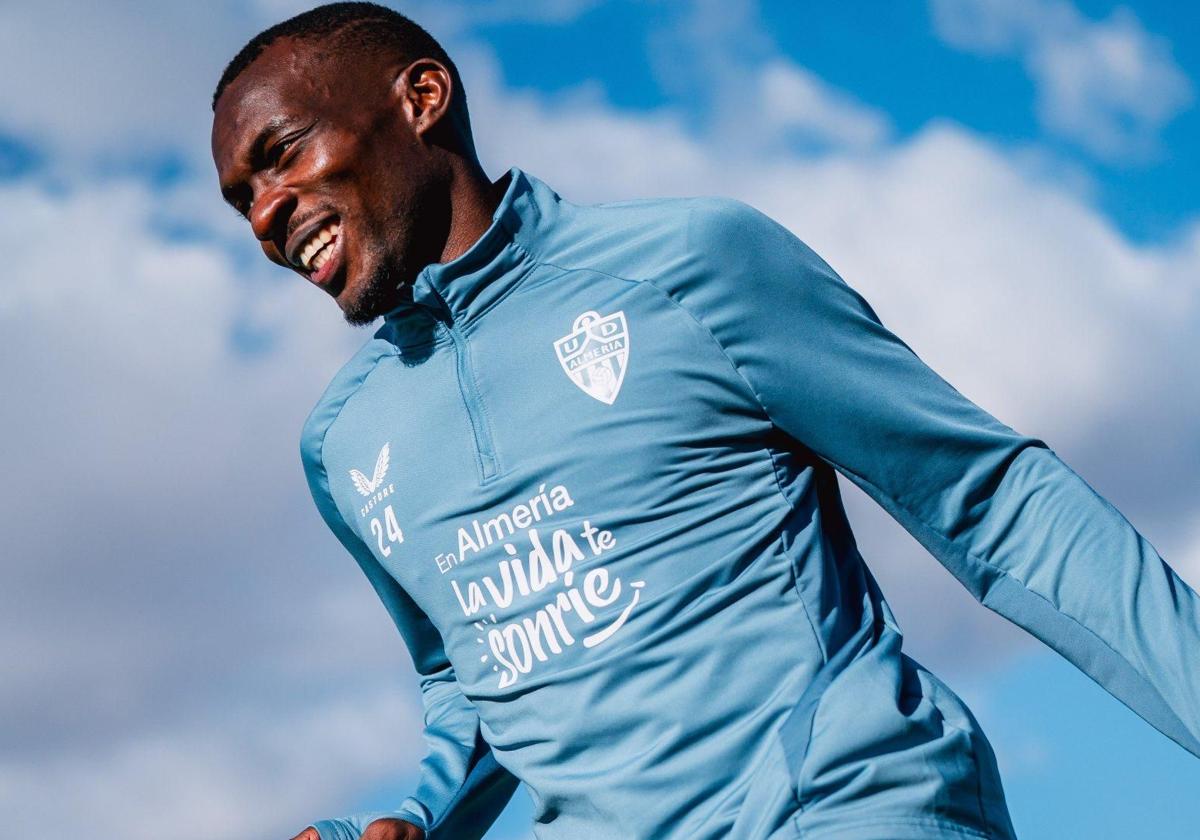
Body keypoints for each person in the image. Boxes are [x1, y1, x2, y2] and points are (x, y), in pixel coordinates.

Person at [209, 4, 1200, 840]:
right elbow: (470, 685)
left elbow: (992, 501)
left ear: (420, 100)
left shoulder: (693, 264)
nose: (263, 215)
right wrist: (420, 817)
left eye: (279, 156)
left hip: (840, 807)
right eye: (242, 197)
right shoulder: (345, 445)